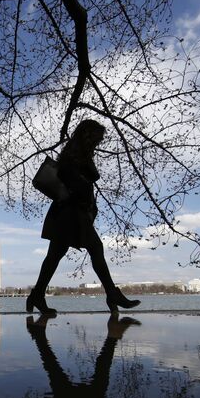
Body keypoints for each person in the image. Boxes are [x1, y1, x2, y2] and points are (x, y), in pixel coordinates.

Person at [27, 119, 140, 314]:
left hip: (71, 212)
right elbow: (71, 177)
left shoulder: (80, 155)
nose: (99, 142)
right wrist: (82, 186)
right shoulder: (75, 156)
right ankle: (112, 293)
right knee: (93, 248)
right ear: (88, 136)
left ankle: (37, 295)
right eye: (98, 138)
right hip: (70, 212)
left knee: (55, 256)